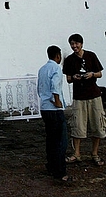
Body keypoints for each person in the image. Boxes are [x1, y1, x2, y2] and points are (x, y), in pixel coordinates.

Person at [62, 33, 106, 166]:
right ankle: (77, 153)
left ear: (81, 44)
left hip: (94, 95)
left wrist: (92, 74)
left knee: (98, 124)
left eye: (76, 43)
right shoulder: (69, 60)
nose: (74, 46)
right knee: (78, 126)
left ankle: (94, 153)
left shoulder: (91, 55)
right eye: (72, 44)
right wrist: (75, 77)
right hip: (79, 97)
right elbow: (68, 79)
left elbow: (99, 73)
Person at [37, 45, 69, 182]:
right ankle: (60, 171)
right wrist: (57, 101)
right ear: (58, 56)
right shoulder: (56, 68)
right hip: (54, 108)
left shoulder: (42, 69)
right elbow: (55, 86)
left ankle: (51, 165)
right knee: (61, 141)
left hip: (44, 107)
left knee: (50, 139)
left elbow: (39, 88)